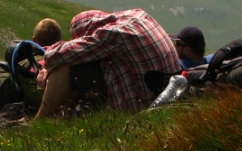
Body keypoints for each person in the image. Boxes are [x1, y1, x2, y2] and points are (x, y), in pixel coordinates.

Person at [35, 9, 181, 117]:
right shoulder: (139, 15)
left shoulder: (113, 34)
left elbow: (58, 56)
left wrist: (48, 67)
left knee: (71, 66)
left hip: (141, 109)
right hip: (166, 96)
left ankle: (40, 121)